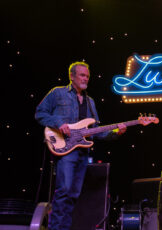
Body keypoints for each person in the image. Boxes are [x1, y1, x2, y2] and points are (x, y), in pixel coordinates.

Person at [35, 61, 126, 230]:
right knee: (64, 190)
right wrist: (58, 123)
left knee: (73, 194)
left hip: (83, 151)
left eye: (87, 76)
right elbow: (40, 113)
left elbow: (96, 131)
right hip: (65, 149)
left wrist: (115, 133)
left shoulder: (90, 102)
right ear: (72, 76)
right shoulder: (58, 93)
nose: (86, 79)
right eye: (82, 75)